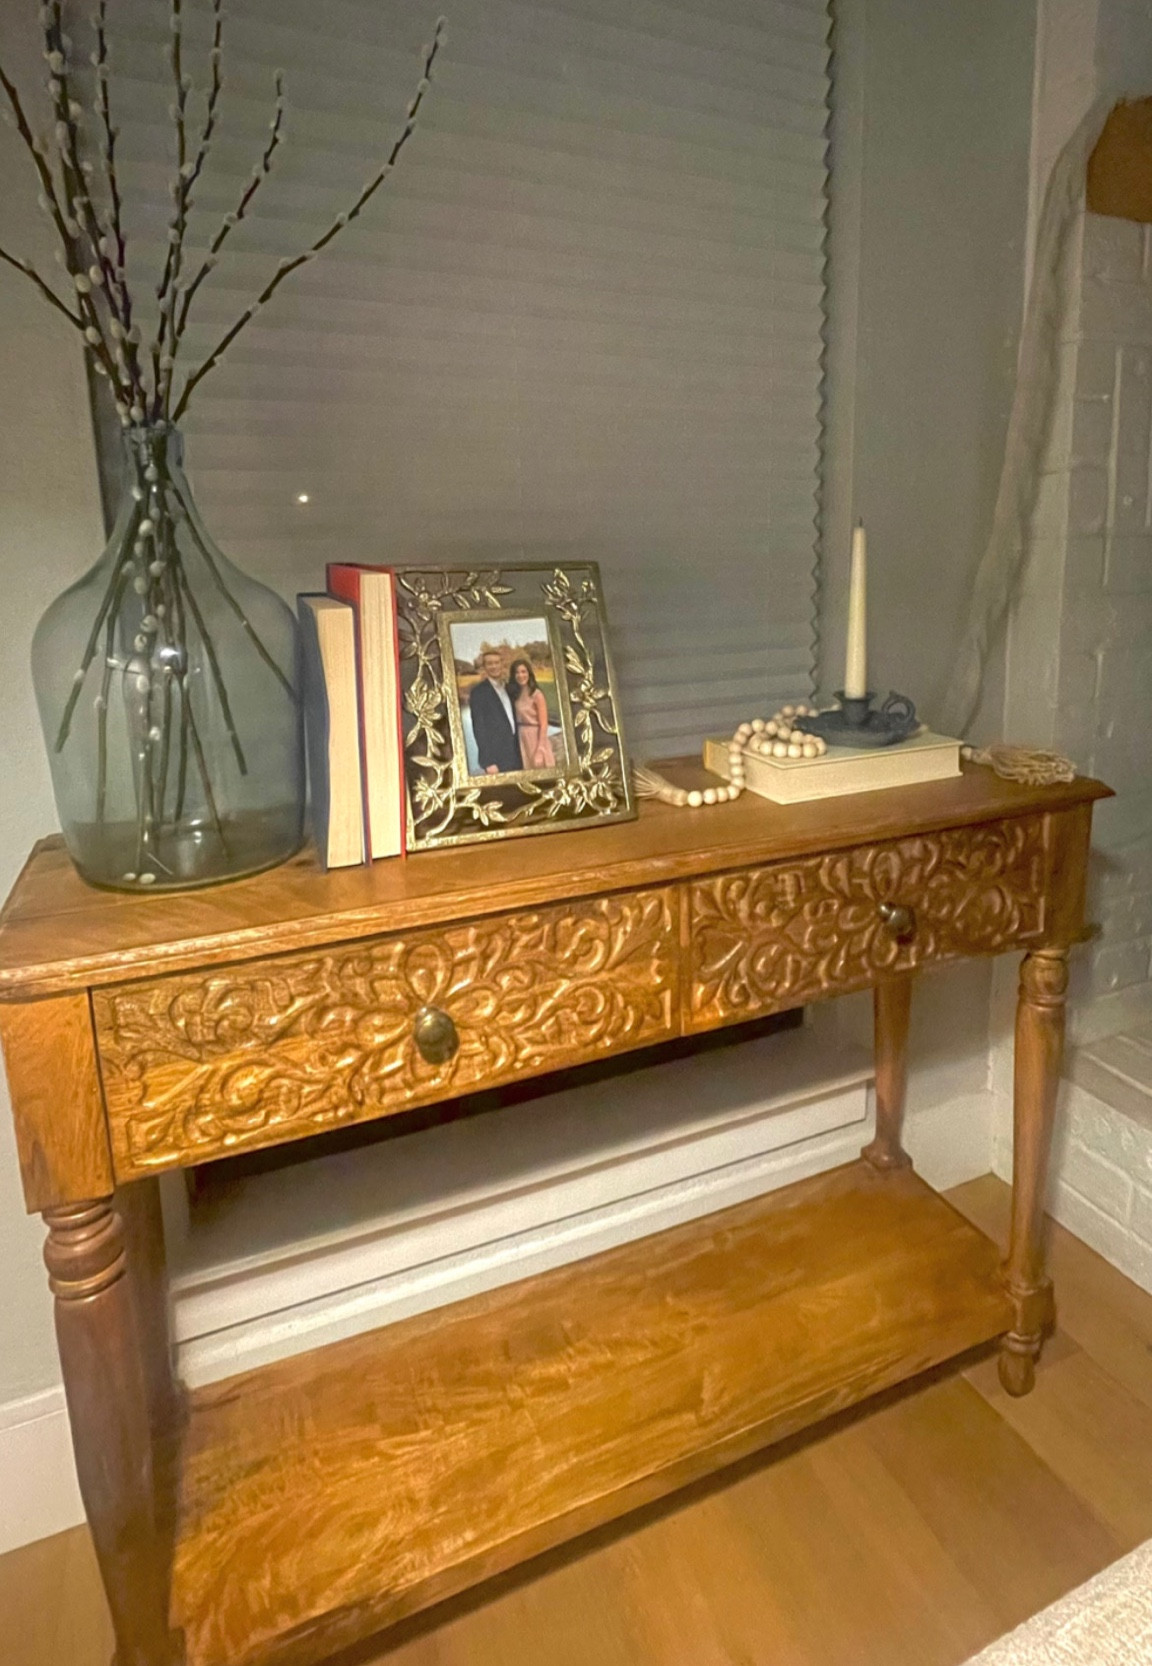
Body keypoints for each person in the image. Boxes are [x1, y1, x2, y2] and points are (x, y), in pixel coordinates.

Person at [468, 648, 522, 774]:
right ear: (485, 667)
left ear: (501, 664)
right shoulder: (478, 692)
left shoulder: (509, 688)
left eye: (497, 662)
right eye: (490, 663)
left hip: (517, 753)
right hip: (497, 759)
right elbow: (479, 728)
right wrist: (488, 762)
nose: (494, 666)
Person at [509, 657, 556, 769]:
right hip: (521, 737)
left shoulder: (537, 695)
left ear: (529, 673)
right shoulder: (515, 694)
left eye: (523, 671)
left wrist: (540, 749)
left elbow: (544, 724)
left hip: (535, 737)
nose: (520, 675)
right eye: (517, 672)